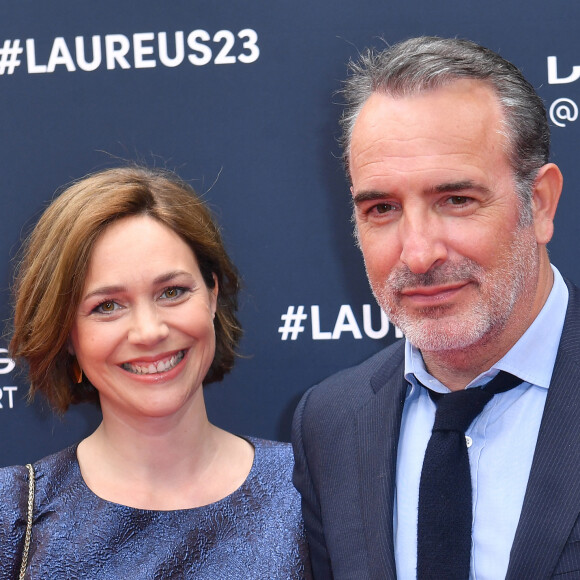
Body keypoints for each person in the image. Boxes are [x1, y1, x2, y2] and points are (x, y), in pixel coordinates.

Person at [292, 36, 578, 579]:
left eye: (456, 201)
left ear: (539, 204)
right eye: (382, 208)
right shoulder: (331, 421)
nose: (418, 254)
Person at [0, 166, 311, 579]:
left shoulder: (310, 490)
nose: (149, 332)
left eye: (172, 292)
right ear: (68, 334)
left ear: (212, 295)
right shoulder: (15, 514)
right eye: (107, 306)